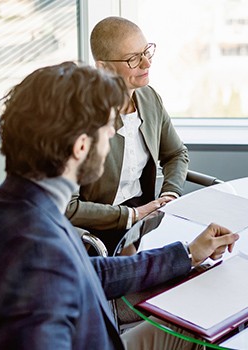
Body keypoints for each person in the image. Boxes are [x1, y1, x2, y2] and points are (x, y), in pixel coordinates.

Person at [0, 62, 238, 349]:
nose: (111, 135)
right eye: (108, 127)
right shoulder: (39, 257)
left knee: (192, 328)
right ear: (81, 147)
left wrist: (186, 254)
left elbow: (88, 273)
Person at [66, 16, 190, 254]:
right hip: (92, 229)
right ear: (103, 67)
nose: (146, 63)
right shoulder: (80, 116)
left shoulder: (149, 98)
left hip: (144, 221)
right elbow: (66, 206)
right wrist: (133, 215)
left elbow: (176, 154)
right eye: (133, 58)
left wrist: (170, 194)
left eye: (146, 52)